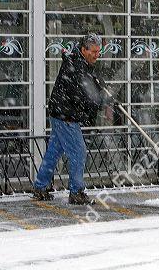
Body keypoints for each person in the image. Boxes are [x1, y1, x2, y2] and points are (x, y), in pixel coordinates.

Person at [32, 33, 113, 205]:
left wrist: (104, 91)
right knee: (78, 151)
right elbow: (82, 93)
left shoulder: (82, 63)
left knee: (54, 151)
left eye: (98, 51)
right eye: (93, 51)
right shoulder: (76, 65)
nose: (96, 55)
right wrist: (99, 100)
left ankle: (40, 186)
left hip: (61, 113)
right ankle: (76, 191)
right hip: (66, 115)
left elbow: (94, 81)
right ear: (84, 49)